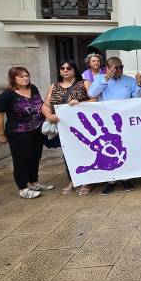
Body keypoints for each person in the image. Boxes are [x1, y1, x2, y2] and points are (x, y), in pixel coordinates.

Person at [0, 66, 52, 199]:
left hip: (37, 130)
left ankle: (33, 182)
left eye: (26, 75)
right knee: (21, 159)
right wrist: (1, 134)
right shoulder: (7, 94)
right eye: (21, 76)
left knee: (35, 157)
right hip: (18, 133)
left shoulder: (33, 88)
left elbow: (41, 105)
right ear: (13, 78)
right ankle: (23, 188)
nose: (25, 78)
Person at [88, 57, 141, 194]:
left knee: (125, 148)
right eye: (115, 67)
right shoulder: (100, 79)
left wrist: (140, 85)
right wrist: (106, 78)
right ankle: (111, 180)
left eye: (120, 67)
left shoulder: (130, 80)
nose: (118, 70)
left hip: (125, 120)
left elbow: (138, 96)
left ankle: (126, 178)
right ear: (108, 68)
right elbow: (92, 93)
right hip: (107, 121)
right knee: (110, 150)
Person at [41, 60, 90, 195]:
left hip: (82, 125)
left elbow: (95, 100)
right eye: (62, 68)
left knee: (84, 152)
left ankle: (86, 181)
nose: (65, 70)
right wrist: (49, 115)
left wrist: (80, 102)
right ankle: (73, 180)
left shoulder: (84, 83)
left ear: (74, 69)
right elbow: (45, 105)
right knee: (68, 153)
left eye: (69, 68)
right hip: (63, 127)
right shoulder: (54, 86)